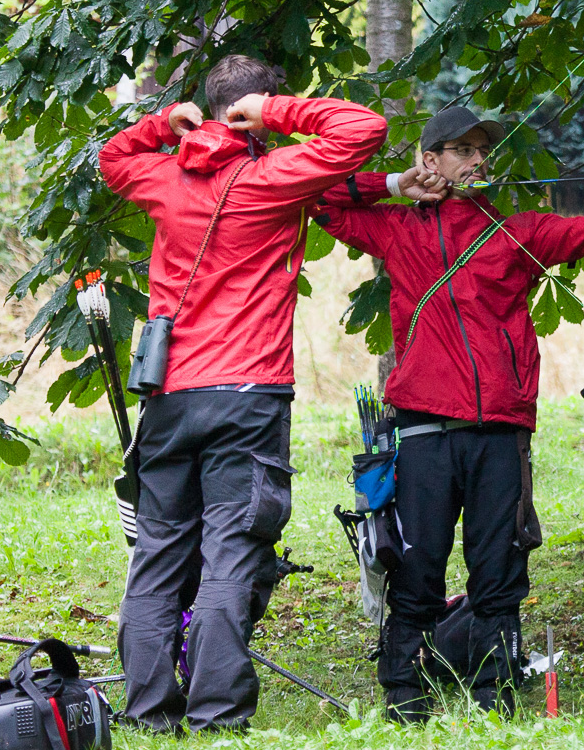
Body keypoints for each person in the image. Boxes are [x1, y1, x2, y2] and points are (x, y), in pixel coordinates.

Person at [315, 105, 584, 722]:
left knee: (499, 568)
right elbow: (318, 194)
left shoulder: (516, 232)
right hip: (424, 429)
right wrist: (393, 185)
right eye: (462, 150)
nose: (478, 160)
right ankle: (405, 697)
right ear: (430, 161)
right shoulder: (396, 229)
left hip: (499, 430)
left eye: (481, 150)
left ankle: (494, 696)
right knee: (415, 566)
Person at [98, 54, 388, 734]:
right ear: (253, 111)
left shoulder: (164, 176)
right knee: (232, 552)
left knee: (159, 552)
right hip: (248, 395)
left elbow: (113, 158)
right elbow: (362, 128)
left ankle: (148, 712)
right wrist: (277, 113)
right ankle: (217, 715)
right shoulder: (272, 176)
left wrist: (163, 125)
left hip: (170, 397)